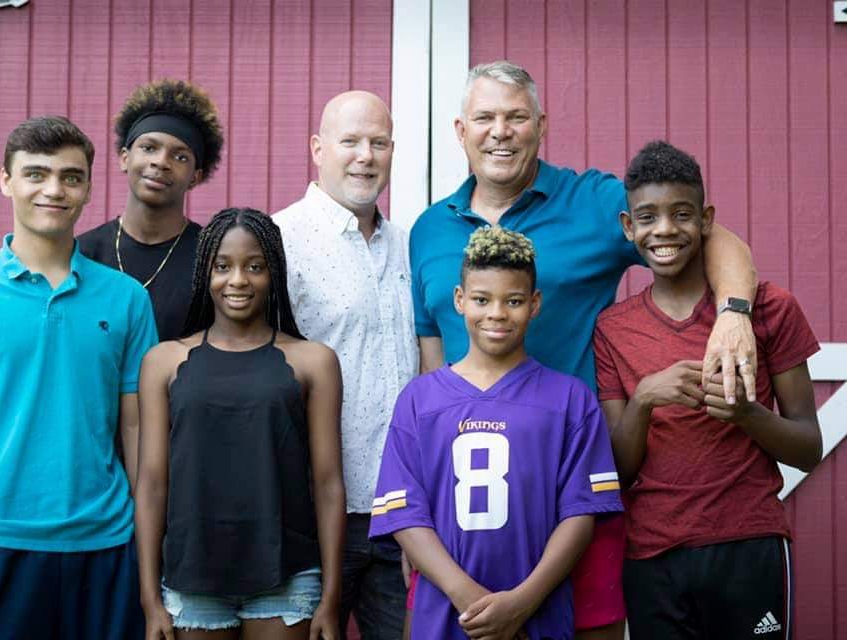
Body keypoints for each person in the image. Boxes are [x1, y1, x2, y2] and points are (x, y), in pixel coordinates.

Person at [408, 60, 760, 638]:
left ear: (541, 125)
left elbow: (706, 231)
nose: (500, 131)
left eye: (516, 117)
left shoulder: (592, 202)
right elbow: (429, 362)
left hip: (575, 476)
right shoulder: (428, 229)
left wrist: (734, 316)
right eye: (485, 118)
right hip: (468, 495)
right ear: (460, 129)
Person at [0, 116, 159, 639]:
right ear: (6, 181)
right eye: (36, 174)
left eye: (70, 176)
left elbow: (137, 427)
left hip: (105, 547)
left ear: (88, 187)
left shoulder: (128, 298)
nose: (54, 189)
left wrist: (145, 537)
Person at [593, 140, 822, 639]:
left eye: (681, 214)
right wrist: (647, 398)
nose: (666, 230)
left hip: (749, 544)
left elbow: (809, 448)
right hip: (652, 553)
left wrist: (748, 414)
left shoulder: (769, 309)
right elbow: (619, 469)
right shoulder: (612, 329)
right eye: (648, 217)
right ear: (629, 228)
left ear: (706, 220)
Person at [370, 226, 623, 640]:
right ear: (459, 300)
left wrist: (522, 603)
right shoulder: (419, 400)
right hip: (445, 613)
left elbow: (581, 513)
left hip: (538, 612)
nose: (497, 314)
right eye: (482, 299)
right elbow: (404, 513)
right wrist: (468, 597)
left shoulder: (571, 400)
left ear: (535, 304)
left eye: (514, 301)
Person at [134, 208, 346, 639]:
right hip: (192, 579)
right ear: (204, 273)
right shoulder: (164, 363)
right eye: (222, 266)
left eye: (255, 267)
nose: (238, 280)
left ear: (274, 273)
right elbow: (153, 483)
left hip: (286, 577)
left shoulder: (314, 361)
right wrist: (149, 599)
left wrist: (331, 596)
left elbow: (327, 483)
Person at [274, 91, 418, 639]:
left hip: (401, 514)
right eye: (350, 141)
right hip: (311, 516)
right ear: (317, 148)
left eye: (378, 143)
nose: (365, 155)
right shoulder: (280, 240)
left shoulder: (409, 246)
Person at [79, 78, 224, 341]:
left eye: (180, 156)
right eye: (148, 148)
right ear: (125, 158)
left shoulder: (214, 258)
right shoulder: (83, 254)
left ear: (196, 176)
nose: (160, 162)